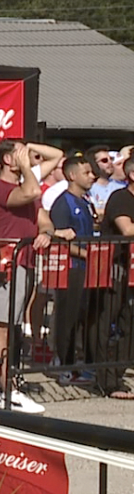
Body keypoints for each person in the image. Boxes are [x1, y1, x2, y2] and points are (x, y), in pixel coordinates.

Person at [0, 140, 64, 414]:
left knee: (7, 328)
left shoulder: (25, 186)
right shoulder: (1, 189)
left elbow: (43, 217)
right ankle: (2, 389)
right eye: (20, 154)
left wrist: (46, 233)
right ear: (7, 160)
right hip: (4, 264)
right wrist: (26, 165)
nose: (28, 157)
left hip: (23, 263)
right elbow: (32, 191)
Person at [48, 156, 99, 386]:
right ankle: (64, 365)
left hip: (88, 268)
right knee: (67, 317)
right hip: (70, 268)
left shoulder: (85, 201)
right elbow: (59, 239)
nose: (92, 176)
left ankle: (81, 362)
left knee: (83, 316)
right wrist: (87, 254)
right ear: (72, 175)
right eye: (86, 172)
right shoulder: (63, 203)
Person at [100, 157, 134, 399]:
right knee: (108, 323)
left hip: (131, 271)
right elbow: (127, 229)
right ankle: (107, 380)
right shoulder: (121, 198)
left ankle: (119, 375)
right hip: (115, 267)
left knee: (128, 324)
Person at [86, 145, 126, 220]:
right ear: (94, 164)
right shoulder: (89, 188)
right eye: (104, 160)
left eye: (111, 159)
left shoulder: (122, 186)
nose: (110, 162)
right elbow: (91, 211)